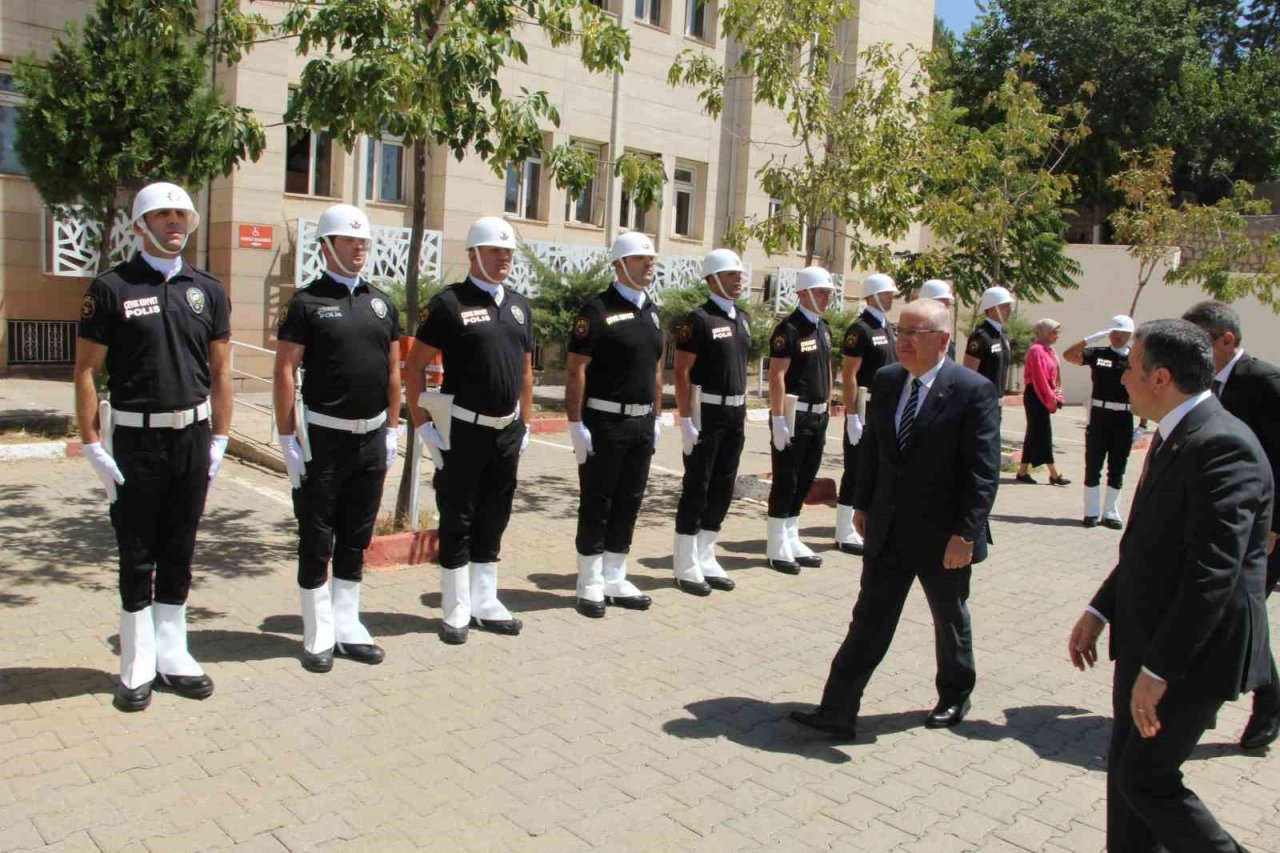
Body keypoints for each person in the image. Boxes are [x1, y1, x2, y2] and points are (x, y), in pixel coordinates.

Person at [1068, 319, 1272, 852]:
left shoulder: (1224, 445)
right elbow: (1152, 545)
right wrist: (1100, 609)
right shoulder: (1175, 432)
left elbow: (1212, 573)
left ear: (1160, 377)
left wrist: (1160, 669)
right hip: (1147, 637)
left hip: (1193, 653)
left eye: (1131, 369)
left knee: (1146, 780)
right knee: (1125, 773)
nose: (1123, 380)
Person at [790, 299, 1001, 738]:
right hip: (888, 527)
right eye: (900, 331)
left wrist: (967, 533)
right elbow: (873, 453)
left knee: (949, 618)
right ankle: (837, 708)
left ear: (943, 340)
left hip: (945, 535)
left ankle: (955, 694)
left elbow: (983, 472)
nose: (902, 341)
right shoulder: (887, 381)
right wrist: (862, 505)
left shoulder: (971, 389)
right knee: (869, 617)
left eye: (914, 333)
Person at [74, 181, 232, 712]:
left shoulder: (206, 288)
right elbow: (87, 371)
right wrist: (93, 442)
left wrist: (221, 438)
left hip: (192, 435)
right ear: (140, 224)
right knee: (137, 552)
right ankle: (137, 661)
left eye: (181, 214)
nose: (174, 222)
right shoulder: (113, 287)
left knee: (180, 548)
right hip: (136, 438)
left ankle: (174, 653)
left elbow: (222, 369)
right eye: (162, 214)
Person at [273, 204, 400, 672]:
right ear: (326, 246)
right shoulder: (306, 303)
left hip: (370, 441)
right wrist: (287, 437)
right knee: (317, 534)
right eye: (349, 241)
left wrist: (393, 426)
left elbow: (392, 370)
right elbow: (285, 369)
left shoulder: (381, 302)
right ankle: (318, 628)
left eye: (363, 241)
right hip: (323, 440)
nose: (359, 248)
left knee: (355, 535)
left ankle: (348, 624)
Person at [406, 217, 533, 644]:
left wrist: (526, 422)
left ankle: (486, 601)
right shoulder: (448, 304)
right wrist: (423, 425)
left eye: (508, 252)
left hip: (506, 432)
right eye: (495, 251)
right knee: (458, 517)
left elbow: (527, 371)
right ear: (474, 254)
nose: (503, 258)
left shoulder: (518, 305)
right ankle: (456, 606)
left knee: (494, 517)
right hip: (462, 430)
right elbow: (415, 368)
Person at [1182, 300, 1280, 751]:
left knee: (1246, 617)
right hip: (1214, 521)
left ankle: (1269, 705)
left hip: (1263, 530)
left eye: (1202, 342)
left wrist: (1275, 524)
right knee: (1214, 612)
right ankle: (1204, 702)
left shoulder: (1263, 382)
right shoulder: (1201, 381)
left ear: (1227, 341)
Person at [568, 232, 664, 618]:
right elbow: (576, 370)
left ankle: (615, 574)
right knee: (599, 501)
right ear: (620, 264)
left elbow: (657, 368)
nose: (649, 264)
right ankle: (589, 581)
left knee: (630, 499)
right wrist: (575, 424)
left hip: (641, 423)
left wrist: (657, 416)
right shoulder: (596, 311)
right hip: (605, 422)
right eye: (641, 258)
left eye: (651, 258)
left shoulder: (653, 311)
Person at [670, 249, 751, 595]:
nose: (738, 279)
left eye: (739, 273)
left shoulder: (742, 318)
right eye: (731, 274)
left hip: (735, 413)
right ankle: (685, 562)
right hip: (707, 413)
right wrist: (686, 418)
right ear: (713, 278)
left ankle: (706, 554)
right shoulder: (698, 319)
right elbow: (682, 371)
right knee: (698, 485)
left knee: (723, 485)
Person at [765, 267, 836, 574]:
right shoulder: (789, 329)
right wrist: (779, 418)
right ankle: (776, 544)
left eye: (829, 292)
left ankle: (792, 536)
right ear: (804, 294)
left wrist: (830, 401)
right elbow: (777, 375)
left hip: (818, 414)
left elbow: (828, 368)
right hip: (794, 414)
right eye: (821, 292)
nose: (827, 297)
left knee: (805, 478)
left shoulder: (823, 328)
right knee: (787, 480)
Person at [834, 273, 898, 556]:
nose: (892, 298)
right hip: (864, 405)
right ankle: (844, 530)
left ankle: (866, 523)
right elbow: (849, 374)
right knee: (856, 470)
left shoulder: (888, 328)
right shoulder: (859, 329)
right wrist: (852, 415)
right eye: (888, 294)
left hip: (885, 406)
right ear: (873, 295)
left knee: (877, 467)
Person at [1063, 315, 1135, 529]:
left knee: (1118, 466)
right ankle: (1091, 512)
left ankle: (1111, 512)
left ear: (1129, 335)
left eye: (1121, 333)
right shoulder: (1099, 354)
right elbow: (1068, 355)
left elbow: (1145, 390)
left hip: (1124, 416)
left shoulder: (1136, 359)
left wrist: (1143, 425)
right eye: (1113, 332)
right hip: (1100, 415)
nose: (1116, 336)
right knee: (1093, 463)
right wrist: (1089, 339)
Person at [1015, 319, 1070, 485]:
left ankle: (1022, 471)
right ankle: (1054, 474)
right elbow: (1039, 379)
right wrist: (1050, 398)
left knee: (1033, 433)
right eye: (1054, 332)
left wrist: (1056, 394)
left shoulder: (1049, 351)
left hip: (1044, 393)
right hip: (1036, 395)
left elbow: (1054, 377)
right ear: (1044, 332)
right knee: (1043, 433)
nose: (1057, 336)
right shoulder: (1036, 351)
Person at [964, 285, 1013, 399]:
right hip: (982, 402)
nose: (1009, 310)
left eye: (1009, 306)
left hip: (997, 401)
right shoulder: (981, 336)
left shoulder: (1002, 334)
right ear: (992, 309)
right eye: (1004, 306)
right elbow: (969, 372)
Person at [918, 279, 957, 360]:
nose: (948, 305)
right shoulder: (916, 332)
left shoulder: (942, 329)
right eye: (944, 301)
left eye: (948, 301)